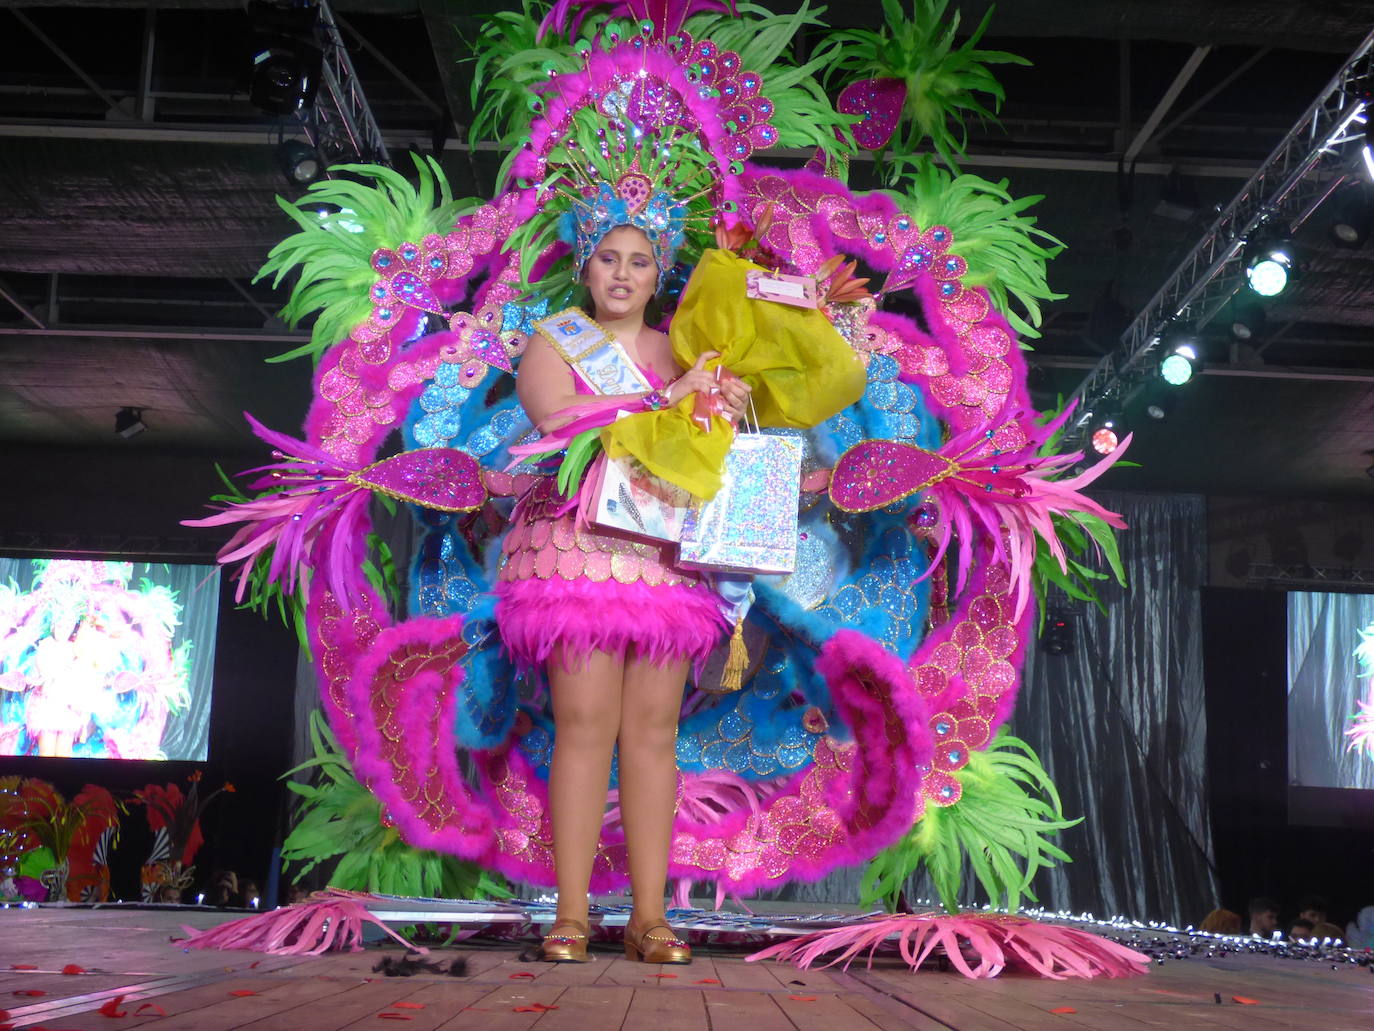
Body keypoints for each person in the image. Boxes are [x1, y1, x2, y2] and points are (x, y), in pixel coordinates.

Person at [497, 216, 751, 965]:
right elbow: (559, 421)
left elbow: (706, 446)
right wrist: (674, 395)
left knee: (653, 734)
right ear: (585, 266)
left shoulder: (682, 349)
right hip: (574, 552)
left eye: (639, 262)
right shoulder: (556, 340)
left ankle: (649, 916)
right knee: (583, 726)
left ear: (658, 274)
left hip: (663, 551)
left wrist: (720, 406)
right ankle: (570, 913)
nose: (621, 273)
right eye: (607, 258)